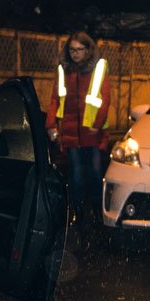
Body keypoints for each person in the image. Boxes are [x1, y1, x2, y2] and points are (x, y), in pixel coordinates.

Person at [46, 32, 112, 240]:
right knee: (74, 175)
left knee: (93, 174)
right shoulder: (63, 70)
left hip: (92, 133)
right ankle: (79, 214)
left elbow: (105, 99)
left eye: (79, 50)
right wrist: (51, 125)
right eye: (72, 50)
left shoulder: (98, 68)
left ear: (88, 50)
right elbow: (55, 99)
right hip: (71, 133)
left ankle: (95, 214)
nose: (75, 54)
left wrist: (97, 126)